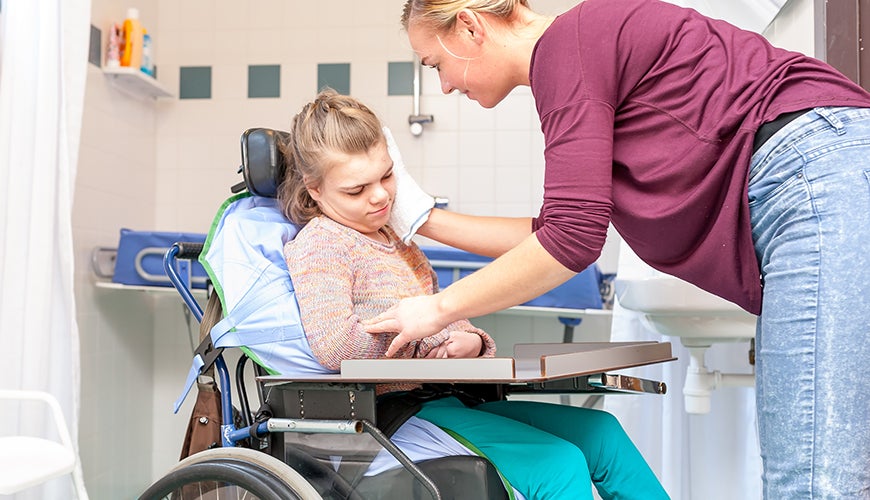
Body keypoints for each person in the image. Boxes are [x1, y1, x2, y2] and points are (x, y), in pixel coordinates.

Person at [362, 0, 870, 498]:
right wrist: (420, 219)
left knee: (812, 481)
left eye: (437, 64)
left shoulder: (567, 46)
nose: (445, 85)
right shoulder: (579, 54)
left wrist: (437, 309)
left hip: (819, 174)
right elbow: (553, 230)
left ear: (470, 26)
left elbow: (570, 239)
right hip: (828, 178)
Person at [277, 89, 669, 500]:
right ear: (315, 189)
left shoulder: (397, 239)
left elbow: (443, 310)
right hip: (395, 414)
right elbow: (335, 346)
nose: (380, 196)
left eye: (387, 176)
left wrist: (469, 342)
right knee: (558, 463)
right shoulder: (322, 242)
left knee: (601, 433)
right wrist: (427, 337)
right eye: (357, 190)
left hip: (447, 397)